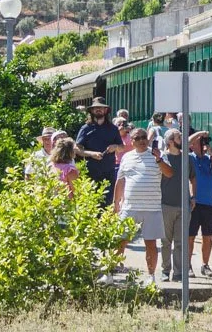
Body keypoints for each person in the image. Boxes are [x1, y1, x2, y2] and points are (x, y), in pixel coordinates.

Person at [113, 127, 172, 284]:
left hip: (152, 208)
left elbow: (169, 173)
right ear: (131, 141)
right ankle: (111, 271)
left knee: (151, 243)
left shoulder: (158, 156)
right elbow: (120, 181)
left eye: (144, 137)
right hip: (130, 207)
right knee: (120, 239)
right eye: (137, 138)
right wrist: (115, 204)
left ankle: (151, 276)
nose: (141, 140)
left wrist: (159, 159)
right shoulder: (126, 157)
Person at [187, 131, 212, 278]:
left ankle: (205, 265)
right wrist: (199, 134)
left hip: (210, 203)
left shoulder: (209, 159)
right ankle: (188, 265)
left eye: (203, 141)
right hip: (194, 202)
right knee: (190, 236)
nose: (202, 144)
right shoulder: (190, 158)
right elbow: (185, 143)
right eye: (199, 141)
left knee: (208, 236)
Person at [75, 98, 124, 196]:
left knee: (107, 204)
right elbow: (77, 148)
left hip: (108, 172)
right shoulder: (85, 128)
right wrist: (91, 154)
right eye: (96, 108)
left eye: (101, 108)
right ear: (92, 111)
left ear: (105, 110)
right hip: (90, 173)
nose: (98, 110)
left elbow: (122, 147)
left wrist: (115, 147)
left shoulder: (113, 129)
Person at [158, 128, 187, 281]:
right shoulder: (163, 158)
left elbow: (193, 178)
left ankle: (178, 272)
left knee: (180, 242)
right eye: (178, 137)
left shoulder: (186, 158)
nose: (181, 139)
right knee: (165, 241)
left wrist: (192, 197)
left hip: (183, 205)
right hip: (166, 204)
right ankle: (165, 270)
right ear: (170, 142)